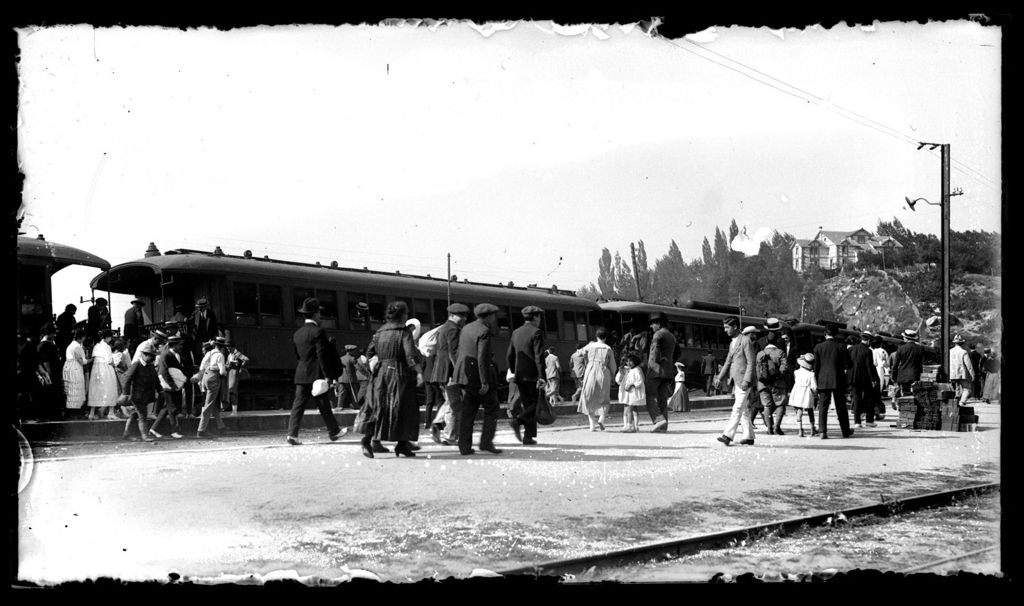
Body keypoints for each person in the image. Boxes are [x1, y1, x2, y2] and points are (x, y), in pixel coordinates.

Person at [355, 301, 424, 458]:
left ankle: (367, 441)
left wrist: (376, 366)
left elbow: (370, 352)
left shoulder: (379, 332)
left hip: (380, 373)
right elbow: (410, 355)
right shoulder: (404, 332)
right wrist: (419, 372)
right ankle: (401, 445)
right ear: (402, 316)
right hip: (399, 374)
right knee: (403, 408)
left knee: (378, 407)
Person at [286, 298, 347, 446]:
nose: (320, 316)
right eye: (319, 313)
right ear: (314, 314)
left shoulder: (297, 333)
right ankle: (334, 431)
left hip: (301, 374)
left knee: (298, 405)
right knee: (323, 404)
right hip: (316, 375)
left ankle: (292, 435)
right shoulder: (318, 331)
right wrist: (327, 376)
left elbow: (297, 355)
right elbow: (322, 355)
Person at [452, 303, 503, 456]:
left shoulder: (466, 328)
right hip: (478, 376)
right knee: (492, 408)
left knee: (468, 411)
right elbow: (482, 358)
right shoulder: (484, 331)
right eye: (493, 315)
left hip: (465, 375)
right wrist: (484, 381)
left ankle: (464, 446)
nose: (494, 319)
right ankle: (486, 442)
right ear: (489, 316)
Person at [427, 303, 469, 446]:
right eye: (461, 315)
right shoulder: (452, 329)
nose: (464, 318)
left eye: (465, 315)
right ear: (451, 315)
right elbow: (454, 352)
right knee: (454, 404)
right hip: (450, 372)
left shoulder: (444, 328)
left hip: (442, 371)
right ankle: (449, 436)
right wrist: (460, 372)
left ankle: (438, 425)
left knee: (449, 401)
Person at [507, 305, 547, 445]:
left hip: (520, 375)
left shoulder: (516, 332)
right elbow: (539, 356)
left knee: (527, 404)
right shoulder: (536, 332)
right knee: (535, 405)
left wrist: (514, 370)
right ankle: (518, 421)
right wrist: (542, 376)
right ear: (535, 317)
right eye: (539, 317)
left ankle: (528, 436)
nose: (540, 319)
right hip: (533, 375)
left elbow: (510, 355)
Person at [714, 316, 756, 446]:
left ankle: (727, 435)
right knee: (743, 409)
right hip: (736, 380)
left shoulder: (746, 341)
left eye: (727, 327)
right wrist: (719, 377)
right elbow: (728, 362)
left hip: (744, 381)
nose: (725, 330)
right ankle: (749, 436)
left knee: (737, 407)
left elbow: (751, 362)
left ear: (735, 327)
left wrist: (747, 380)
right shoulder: (732, 342)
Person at [813, 323, 854, 439]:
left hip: (823, 380)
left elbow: (816, 368)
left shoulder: (818, 347)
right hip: (838, 380)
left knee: (823, 407)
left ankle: (822, 431)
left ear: (825, 333)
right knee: (841, 406)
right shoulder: (841, 347)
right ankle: (845, 431)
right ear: (836, 334)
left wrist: (817, 381)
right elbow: (848, 364)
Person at [577, 327, 617, 432]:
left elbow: (579, 353)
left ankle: (592, 425)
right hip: (603, 372)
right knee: (604, 397)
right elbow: (612, 366)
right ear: (605, 337)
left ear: (596, 336)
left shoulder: (590, 346)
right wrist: (613, 374)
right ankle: (602, 419)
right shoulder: (608, 348)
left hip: (590, 371)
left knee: (588, 396)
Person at [755, 318, 790, 435]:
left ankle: (769, 428)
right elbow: (785, 365)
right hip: (777, 382)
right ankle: (777, 427)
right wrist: (778, 375)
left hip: (763, 382)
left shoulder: (759, 343)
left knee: (767, 406)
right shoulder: (780, 344)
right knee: (780, 404)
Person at [645, 312, 677, 433]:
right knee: (662, 398)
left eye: (652, 324)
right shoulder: (671, 336)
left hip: (656, 371)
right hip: (667, 371)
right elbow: (678, 352)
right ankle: (663, 426)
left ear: (658, 324)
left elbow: (655, 352)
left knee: (650, 396)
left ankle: (658, 420)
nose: (651, 327)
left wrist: (655, 362)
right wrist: (669, 361)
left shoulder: (658, 334)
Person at [150, 334, 187, 439]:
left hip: (171, 384)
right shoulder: (166, 355)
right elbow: (164, 372)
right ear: (173, 345)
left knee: (167, 408)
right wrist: (173, 385)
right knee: (172, 408)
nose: (181, 347)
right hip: (168, 385)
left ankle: (153, 429)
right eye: (179, 345)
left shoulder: (173, 354)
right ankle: (173, 431)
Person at [121, 342, 158, 442]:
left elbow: (155, 379)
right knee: (142, 414)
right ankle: (144, 436)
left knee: (134, 414)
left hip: (145, 396)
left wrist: (160, 390)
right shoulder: (136, 365)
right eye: (151, 356)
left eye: (153, 356)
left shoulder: (150, 366)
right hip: (137, 395)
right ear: (144, 354)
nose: (153, 358)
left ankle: (126, 434)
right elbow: (127, 379)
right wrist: (126, 393)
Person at [848, 331, 880, 428]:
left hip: (853, 378)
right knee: (869, 398)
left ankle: (857, 422)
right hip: (864, 378)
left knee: (856, 399)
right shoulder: (868, 351)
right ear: (869, 340)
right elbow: (869, 367)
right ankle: (869, 420)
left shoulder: (851, 349)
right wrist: (873, 379)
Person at [87, 329, 120, 420]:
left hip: (96, 370)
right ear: (107, 337)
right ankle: (111, 412)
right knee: (110, 388)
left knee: (95, 390)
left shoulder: (96, 346)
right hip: (106, 369)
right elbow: (109, 361)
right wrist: (114, 364)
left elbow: (94, 358)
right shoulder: (107, 347)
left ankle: (92, 413)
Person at [789, 353, 819, 437]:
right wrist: (816, 395)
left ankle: (800, 430)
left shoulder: (796, 372)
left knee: (799, 411)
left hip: (797, 392)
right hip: (807, 393)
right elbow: (814, 387)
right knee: (810, 411)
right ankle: (812, 429)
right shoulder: (811, 374)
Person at [61, 327, 88, 416]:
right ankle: (75, 412)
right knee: (76, 390)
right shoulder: (77, 347)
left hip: (68, 368)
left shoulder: (70, 346)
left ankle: (70, 411)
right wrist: (92, 359)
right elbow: (82, 361)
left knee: (70, 390)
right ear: (81, 337)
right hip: (75, 369)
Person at [616, 353, 645, 432]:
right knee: (629, 408)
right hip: (627, 393)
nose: (628, 363)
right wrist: (621, 373)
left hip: (633, 392)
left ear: (635, 361)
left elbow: (640, 381)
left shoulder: (637, 370)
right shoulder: (627, 370)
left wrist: (632, 385)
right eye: (627, 361)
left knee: (630, 408)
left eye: (630, 361)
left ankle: (630, 425)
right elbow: (618, 380)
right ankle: (629, 425)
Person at [188, 298, 220, 364]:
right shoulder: (195, 313)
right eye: (198, 307)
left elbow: (215, 327)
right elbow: (189, 324)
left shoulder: (211, 314)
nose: (199, 309)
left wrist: (214, 338)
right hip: (197, 339)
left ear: (205, 307)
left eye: (201, 307)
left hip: (208, 339)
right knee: (198, 356)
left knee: (208, 356)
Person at [948, 334, 975, 408]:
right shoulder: (964, 352)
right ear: (962, 343)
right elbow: (968, 365)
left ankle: (955, 401)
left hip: (952, 374)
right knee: (967, 389)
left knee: (956, 388)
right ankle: (962, 402)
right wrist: (972, 374)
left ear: (954, 342)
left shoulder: (950, 351)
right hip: (962, 374)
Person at [225, 340, 250, 416]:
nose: (227, 349)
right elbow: (227, 364)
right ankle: (234, 411)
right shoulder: (230, 355)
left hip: (234, 373)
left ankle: (234, 411)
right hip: (230, 373)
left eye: (228, 347)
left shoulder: (237, 353)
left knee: (232, 391)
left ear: (232, 347)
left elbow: (246, 359)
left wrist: (241, 367)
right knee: (232, 391)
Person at [335, 345, 361, 411]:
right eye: (354, 351)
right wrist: (367, 374)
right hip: (351, 380)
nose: (355, 352)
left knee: (341, 394)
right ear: (351, 352)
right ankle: (355, 405)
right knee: (354, 393)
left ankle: (339, 406)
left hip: (342, 379)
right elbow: (359, 368)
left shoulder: (341, 358)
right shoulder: (352, 358)